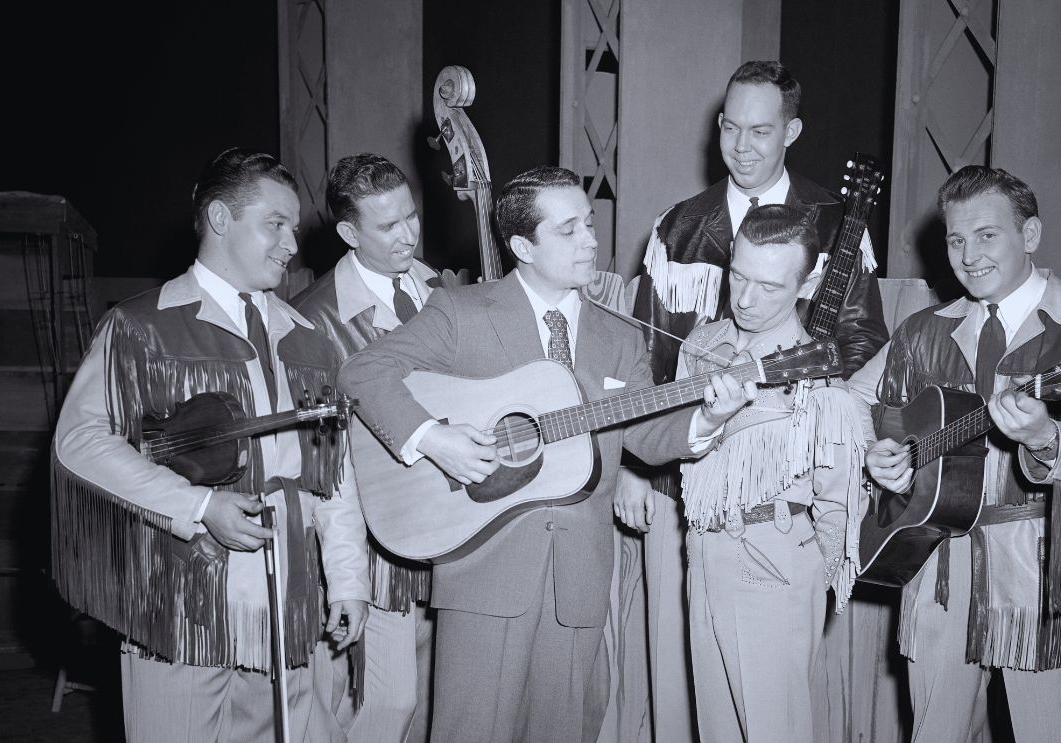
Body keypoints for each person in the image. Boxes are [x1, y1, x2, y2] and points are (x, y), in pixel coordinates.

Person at [337, 166, 754, 743]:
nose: (591, 241)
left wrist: (709, 417)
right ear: (521, 246)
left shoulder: (621, 336)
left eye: (589, 223)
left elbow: (643, 434)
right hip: (483, 574)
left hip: (579, 583)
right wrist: (435, 438)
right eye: (568, 231)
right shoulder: (463, 314)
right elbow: (363, 371)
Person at [51, 147, 370, 741]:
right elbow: (81, 442)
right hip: (180, 603)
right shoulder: (140, 326)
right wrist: (198, 508)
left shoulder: (306, 338)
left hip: (287, 601)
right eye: (274, 224)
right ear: (220, 219)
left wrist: (349, 580)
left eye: (293, 228)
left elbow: (333, 474)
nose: (291, 245)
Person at [618, 59, 889, 738]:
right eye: (730, 128)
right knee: (691, 689)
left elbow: (863, 348)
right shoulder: (679, 226)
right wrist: (634, 463)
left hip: (786, 488)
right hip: (686, 468)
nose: (741, 146)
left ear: (790, 131)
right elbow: (647, 358)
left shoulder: (834, 221)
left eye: (760, 131)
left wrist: (801, 421)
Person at [853, 165, 1061, 742]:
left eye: (988, 235)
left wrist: (1044, 437)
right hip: (938, 571)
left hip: (1048, 574)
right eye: (957, 240)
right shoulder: (920, 332)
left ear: (1030, 235)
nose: (969, 255)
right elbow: (858, 403)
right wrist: (876, 454)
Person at [678, 205, 871, 741]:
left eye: (767, 286)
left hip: (775, 553)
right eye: (738, 275)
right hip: (702, 551)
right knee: (716, 728)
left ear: (806, 281)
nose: (744, 299)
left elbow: (838, 505)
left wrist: (807, 576)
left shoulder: (818, 368)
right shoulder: (698, 346)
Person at [292, 153, 439, 743]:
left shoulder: (440, 289)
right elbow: (320, 462)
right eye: (388, 226)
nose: (408, 235)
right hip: (373, 535)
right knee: (387, 702)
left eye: (411, 217)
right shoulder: (311, 319)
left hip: (443, 520)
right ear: (349, 233)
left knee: (429, 695)